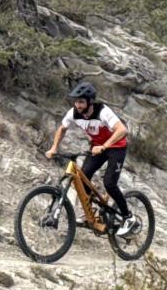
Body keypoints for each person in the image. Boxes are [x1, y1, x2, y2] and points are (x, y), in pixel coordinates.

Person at [47, 81, 131, 227]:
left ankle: (128, 217)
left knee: (109, 183)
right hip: (97, 148)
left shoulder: (103, 111)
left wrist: (104, 146)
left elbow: (122, 130)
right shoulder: (74, 113)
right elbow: (62, 128)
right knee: (82, 178)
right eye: (75, 102)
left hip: (116, 147)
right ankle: (90, 214)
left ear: (90, 101)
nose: (77, 105)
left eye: (81, 102)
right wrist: (54, 147)